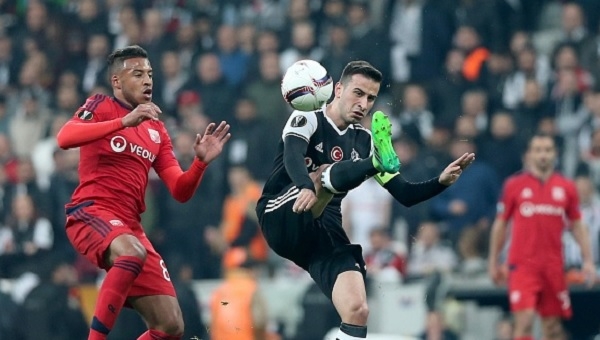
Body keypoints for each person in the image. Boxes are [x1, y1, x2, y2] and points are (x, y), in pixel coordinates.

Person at [255, 60, 475, 340]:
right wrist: (303, 186)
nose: (364, 103)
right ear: (338, 89)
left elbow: (405, 195)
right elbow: (293, 155)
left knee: (357, 310)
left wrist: (440, 182)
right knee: (324, 174)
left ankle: (374, 163)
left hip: (322, 230)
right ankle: (374, 164)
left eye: (371, 98)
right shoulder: (309, 116)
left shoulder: (364, 139)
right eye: (358, 93)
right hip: (282, 211)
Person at [55, 45, 231, 340]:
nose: (148, 80)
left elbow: (180, 190)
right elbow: (65, 138)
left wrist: (199, 163)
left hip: (131, 229)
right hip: (91, 212)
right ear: (117, 82)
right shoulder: (100, 105)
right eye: (137, 74)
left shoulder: (157, 130)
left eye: (150, 74)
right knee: (131, 252)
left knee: (171, 326)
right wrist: (123, 121)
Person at [488, 133, 596, 340]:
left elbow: (577, 225)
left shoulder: (566, 187)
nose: (543, 155)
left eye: (547, 150)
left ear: (555, 154)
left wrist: (588, 260)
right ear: (529, 155)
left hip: (553, 265)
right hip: (522, 265)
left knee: (553, 327)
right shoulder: (514, 185)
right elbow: (501, 224)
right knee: (525, 320)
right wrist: (493, 261)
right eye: (538, 150)